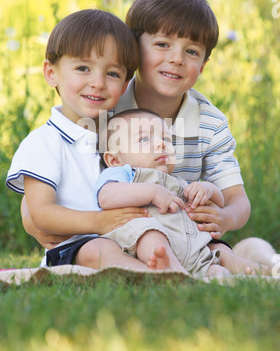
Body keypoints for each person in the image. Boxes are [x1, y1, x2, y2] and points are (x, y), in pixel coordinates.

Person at [21, 0, 275, 269]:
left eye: (191, 51)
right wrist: (34, 218)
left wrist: (226, 218)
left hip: (188, 233)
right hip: (128, 237)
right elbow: (59, 176)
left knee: (241, 249)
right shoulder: (104, 111)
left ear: (203, 65)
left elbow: (237, 199)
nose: (177, 59)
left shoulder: (209, 123)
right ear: (133, 50)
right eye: (162, 44)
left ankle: (268, 266)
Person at [6, 9, 156, 270]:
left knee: (156, 241)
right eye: (83, 68)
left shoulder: (125, 135)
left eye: (112, 74)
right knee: (100, 249)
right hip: (74, 248)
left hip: (129, 238)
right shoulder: (44, 142)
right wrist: (100, 223)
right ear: (51, 73)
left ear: (124, 86)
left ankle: (172, 268)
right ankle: (156, 277)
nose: (97, 83)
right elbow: (41, 212)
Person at [94, 108, 271, 277]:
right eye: (144, 140)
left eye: (166, 139)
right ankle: (176, 273)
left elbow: (220, 203)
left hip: (191, 249)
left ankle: (260, 272)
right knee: (150, 234)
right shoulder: (124, 173)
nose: (160, 144)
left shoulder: (176, 181)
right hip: (146, 244)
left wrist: (208, 189)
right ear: (115, 159)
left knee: (219, 252)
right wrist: (152, 192)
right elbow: (106, 197)